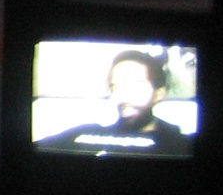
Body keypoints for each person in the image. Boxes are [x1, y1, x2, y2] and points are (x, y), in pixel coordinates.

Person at [40, 50, 191, 157]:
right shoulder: (83, 134)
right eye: (116, 87)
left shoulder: (182, 143)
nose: (123, 95)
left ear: (159, 93)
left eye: (135, 85)